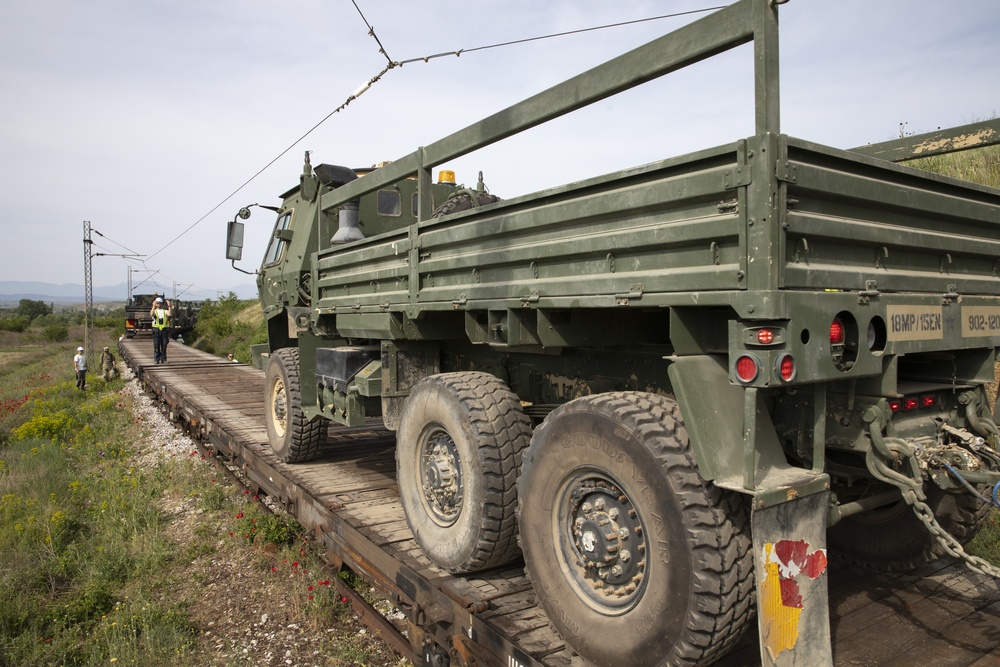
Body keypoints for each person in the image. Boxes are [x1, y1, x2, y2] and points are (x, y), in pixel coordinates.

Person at [150, 297, 172, 364]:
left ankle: (163, 359)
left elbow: (170, 314)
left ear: (162, 304)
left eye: (160, 303)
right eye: (157, 303)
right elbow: (151, 314)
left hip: (164, 330)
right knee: (156, 345)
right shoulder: (154, 311)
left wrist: (169, 306)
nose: (159, 304)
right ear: (156, 304)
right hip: (156, 330)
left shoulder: (164, 311)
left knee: (164, 345)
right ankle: (156, 359)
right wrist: (153, 306)